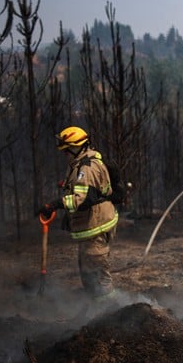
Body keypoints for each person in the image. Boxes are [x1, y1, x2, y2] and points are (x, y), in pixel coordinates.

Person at [40, 126, 119, 302]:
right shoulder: (80, 164)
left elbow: (82, 200)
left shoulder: (86, 168)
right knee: (89, 274)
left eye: (66, 151)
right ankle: (98, 312)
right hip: (92, 225)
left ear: (76, 148)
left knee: (98, 277)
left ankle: (113, 312)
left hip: (96, 226)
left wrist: (56, 204)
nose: (65, 155)